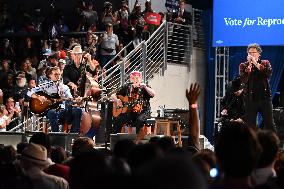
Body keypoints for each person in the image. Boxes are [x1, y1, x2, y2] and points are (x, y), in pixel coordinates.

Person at [27, 66, 82, 132]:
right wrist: (38, 97)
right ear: (50, 75)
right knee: (51, 112)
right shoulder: (45, 86)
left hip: (65, 111)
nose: (57, 76)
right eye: (55, 74)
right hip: (53, 111)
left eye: (59, 74)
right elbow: (29, 92)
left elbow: (70, 100)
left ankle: (73, 135)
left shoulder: (65, 87)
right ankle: (55, 134)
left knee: (78, 110)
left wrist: (75, 101)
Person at [239, 43, 276, 132]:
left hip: (265, 98)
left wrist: (255, 63)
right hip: (250, 99)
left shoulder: (265, 63)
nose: (251, 54)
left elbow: (268, 73)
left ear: (259, 54)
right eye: (250, 53)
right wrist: (249, 67)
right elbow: (243, 80)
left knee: (269, 124)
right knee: (251, 125)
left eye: (254, 52)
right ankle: (252, 144)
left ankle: (273, 144)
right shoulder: (243, 65)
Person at [111, 71, 155, 141]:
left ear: (141, 79)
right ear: (130, 79)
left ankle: (137, 142)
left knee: (139, 120)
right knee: (118, 119)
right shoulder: (127, 86)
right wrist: (117, 100)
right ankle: (115, 141)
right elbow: (113, 95)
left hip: (144, 112)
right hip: (131, 112)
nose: (135, 80)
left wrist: (145, 87)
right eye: (133, 78)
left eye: (137, 78)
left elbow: (153, 94)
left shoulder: (144, 87)